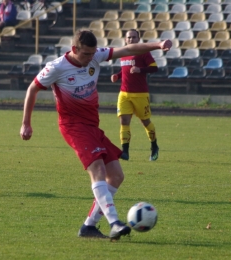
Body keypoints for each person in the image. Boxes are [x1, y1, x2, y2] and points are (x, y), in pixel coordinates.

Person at [20, 29, 172, 240]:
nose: (91, 59)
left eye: (93, 54)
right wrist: (26, 124)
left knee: (117, 176)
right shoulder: (56, 67)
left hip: (93, 126)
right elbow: (32, 90)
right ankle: (115, 222)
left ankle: (88, 226)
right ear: (74, 49)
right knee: (98, 169)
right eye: (86, 54)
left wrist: (158, 45)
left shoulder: (96, 56)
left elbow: (128, 49)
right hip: (73, 126)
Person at [111, 29, 159, 161]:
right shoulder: (123, 53)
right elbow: (125, 70)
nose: (131, 40)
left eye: (134, 37)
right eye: (129, 38)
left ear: (138, 39)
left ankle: (154, 145)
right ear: (126, 39)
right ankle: (125, 152)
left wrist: (140, 70)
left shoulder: (144, 53)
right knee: (124, 121)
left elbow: (154, 68)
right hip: (124, 93)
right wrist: (117, 75)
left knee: (145, 122)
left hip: (140, 94)